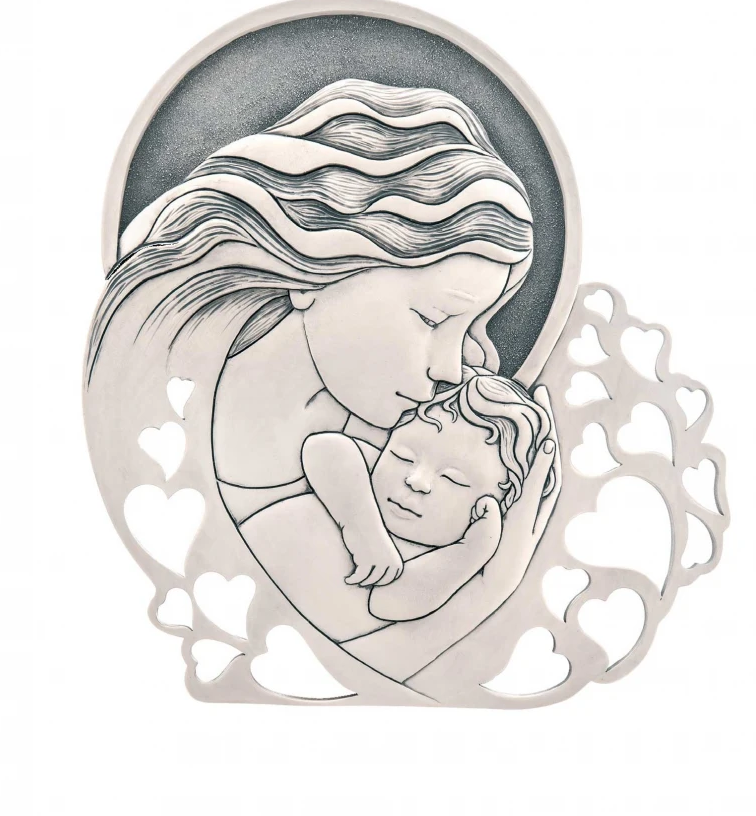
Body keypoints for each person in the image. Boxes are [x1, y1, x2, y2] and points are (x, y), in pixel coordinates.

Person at [84, 78, 559, 684]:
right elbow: (325, 672)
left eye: (466, 330)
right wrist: (492, 585)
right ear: (316, 268)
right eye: (433, 319)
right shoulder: (167, 431)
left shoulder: (403, 445)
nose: (452, 368)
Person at [301, 369, 556, 627]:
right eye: (404, 456)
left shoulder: (441, 560)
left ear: (492, 509)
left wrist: (469, 553)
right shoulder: (362, 483)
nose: (416, 481)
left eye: (452, 479)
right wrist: (364, 532)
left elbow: (386, 603)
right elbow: (322, 447)